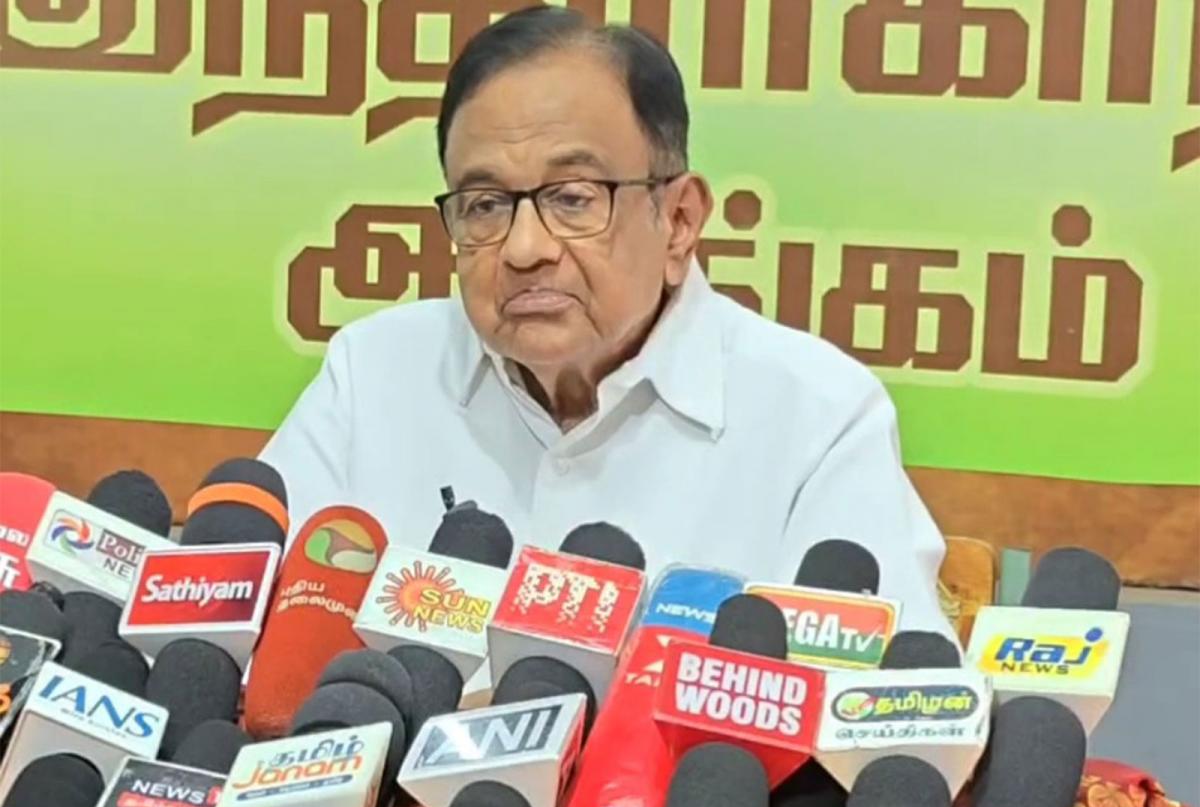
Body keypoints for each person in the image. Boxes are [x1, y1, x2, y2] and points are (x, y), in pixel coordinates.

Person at [262, 6, 953, 637]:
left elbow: (886, 709)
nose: (525, 249)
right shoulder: (373, 373)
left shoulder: (818, 417)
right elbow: (250, 635)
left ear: (679, 220)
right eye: (485, 205)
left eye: (572, 198)